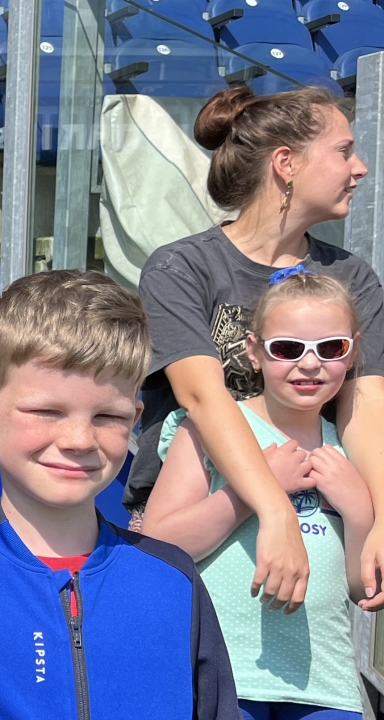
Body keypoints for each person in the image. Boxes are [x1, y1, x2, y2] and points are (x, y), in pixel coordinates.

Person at [0, 270, 239, 719]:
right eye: (47, 411)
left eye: (108, 415)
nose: (79, 439)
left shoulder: (174, 580)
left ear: (135, 421)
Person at [129, 86, 384, 616]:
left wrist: (380, 518)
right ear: (286, 163)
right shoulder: (183, 269)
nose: (359, 168)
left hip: (315, 518)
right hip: (192, 519)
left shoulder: (352, 277)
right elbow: (202, 398)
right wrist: (273, 508)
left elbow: (367, 408)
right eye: (343, 151)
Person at [144, 271, 375, 719]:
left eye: (331, 348)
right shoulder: (210, 430)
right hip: (225, 671)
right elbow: (161, 543)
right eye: (287, 349)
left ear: (353, 353)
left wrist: (360, 510)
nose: (310, 364)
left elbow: (360, 588)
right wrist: (253, 491)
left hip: (324, 683)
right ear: (253, 351)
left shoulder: (352, 447)